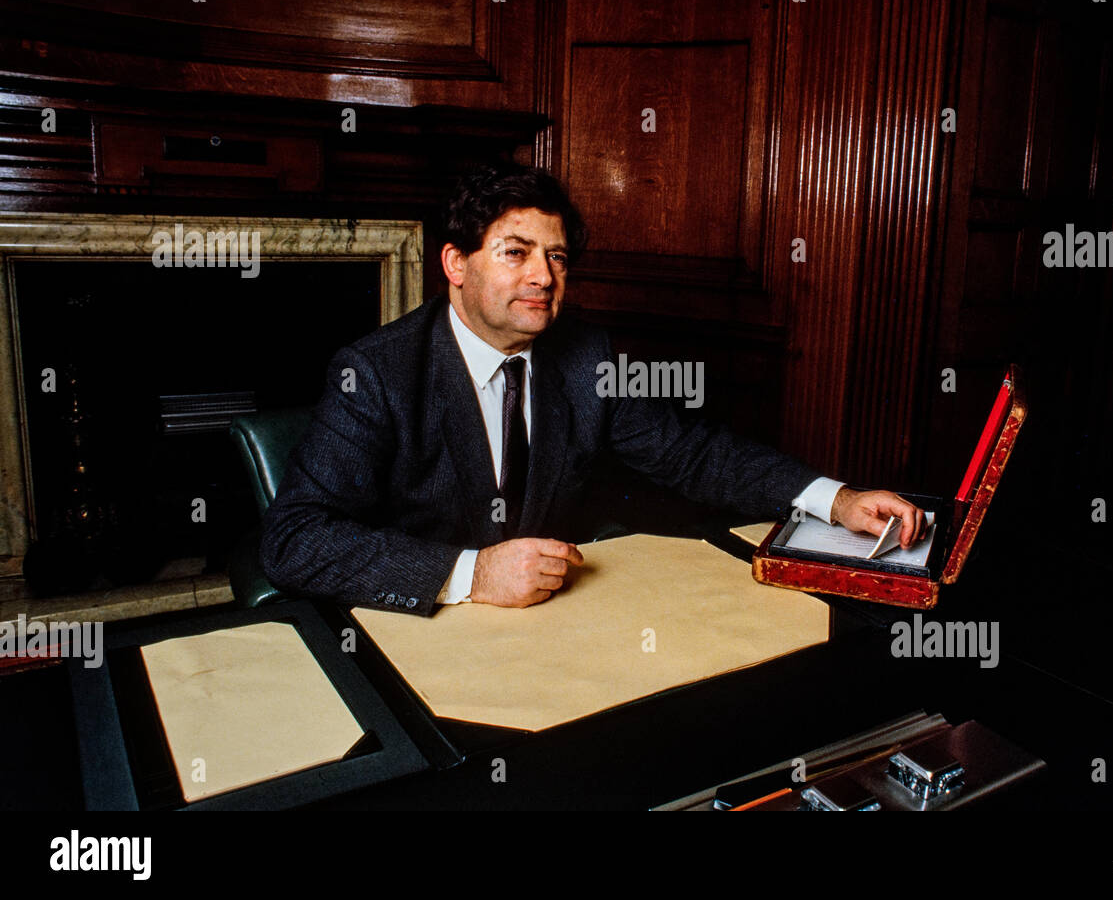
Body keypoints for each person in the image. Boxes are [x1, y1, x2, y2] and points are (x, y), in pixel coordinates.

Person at [260, 162, 924, 612]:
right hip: (422, 633)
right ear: (455, 264)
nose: (543, 277)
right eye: (516, 252)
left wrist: (833, 499)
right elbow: (293, 539)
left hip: (554, 629)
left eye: (557, 258)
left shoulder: (583, 354)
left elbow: (692, 454)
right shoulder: (375, 372)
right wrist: (468, 575)